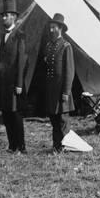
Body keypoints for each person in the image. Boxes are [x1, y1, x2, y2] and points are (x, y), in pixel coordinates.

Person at [0, 0, 27, 154]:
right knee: (6, 115)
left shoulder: (20, 35)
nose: (3, 18)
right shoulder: (2, 36)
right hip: (3, 84)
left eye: (6, 15)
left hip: (14, 84)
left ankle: (21, 147)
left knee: (15, 115)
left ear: (13, 17)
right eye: (2, 15)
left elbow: (21, 61)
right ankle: (12, 145)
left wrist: (19, 84)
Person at [41, 13, 75, 153]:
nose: (51, 30)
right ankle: (57, 146)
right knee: (54, 120)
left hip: (61, 90)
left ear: (60, 28)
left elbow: (69, 71)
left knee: (62, 120)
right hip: (51, 90)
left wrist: (66, 92)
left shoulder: (66, 46)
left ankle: (65, 146)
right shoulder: (49, 46)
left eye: (54, 27)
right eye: (50, 27)